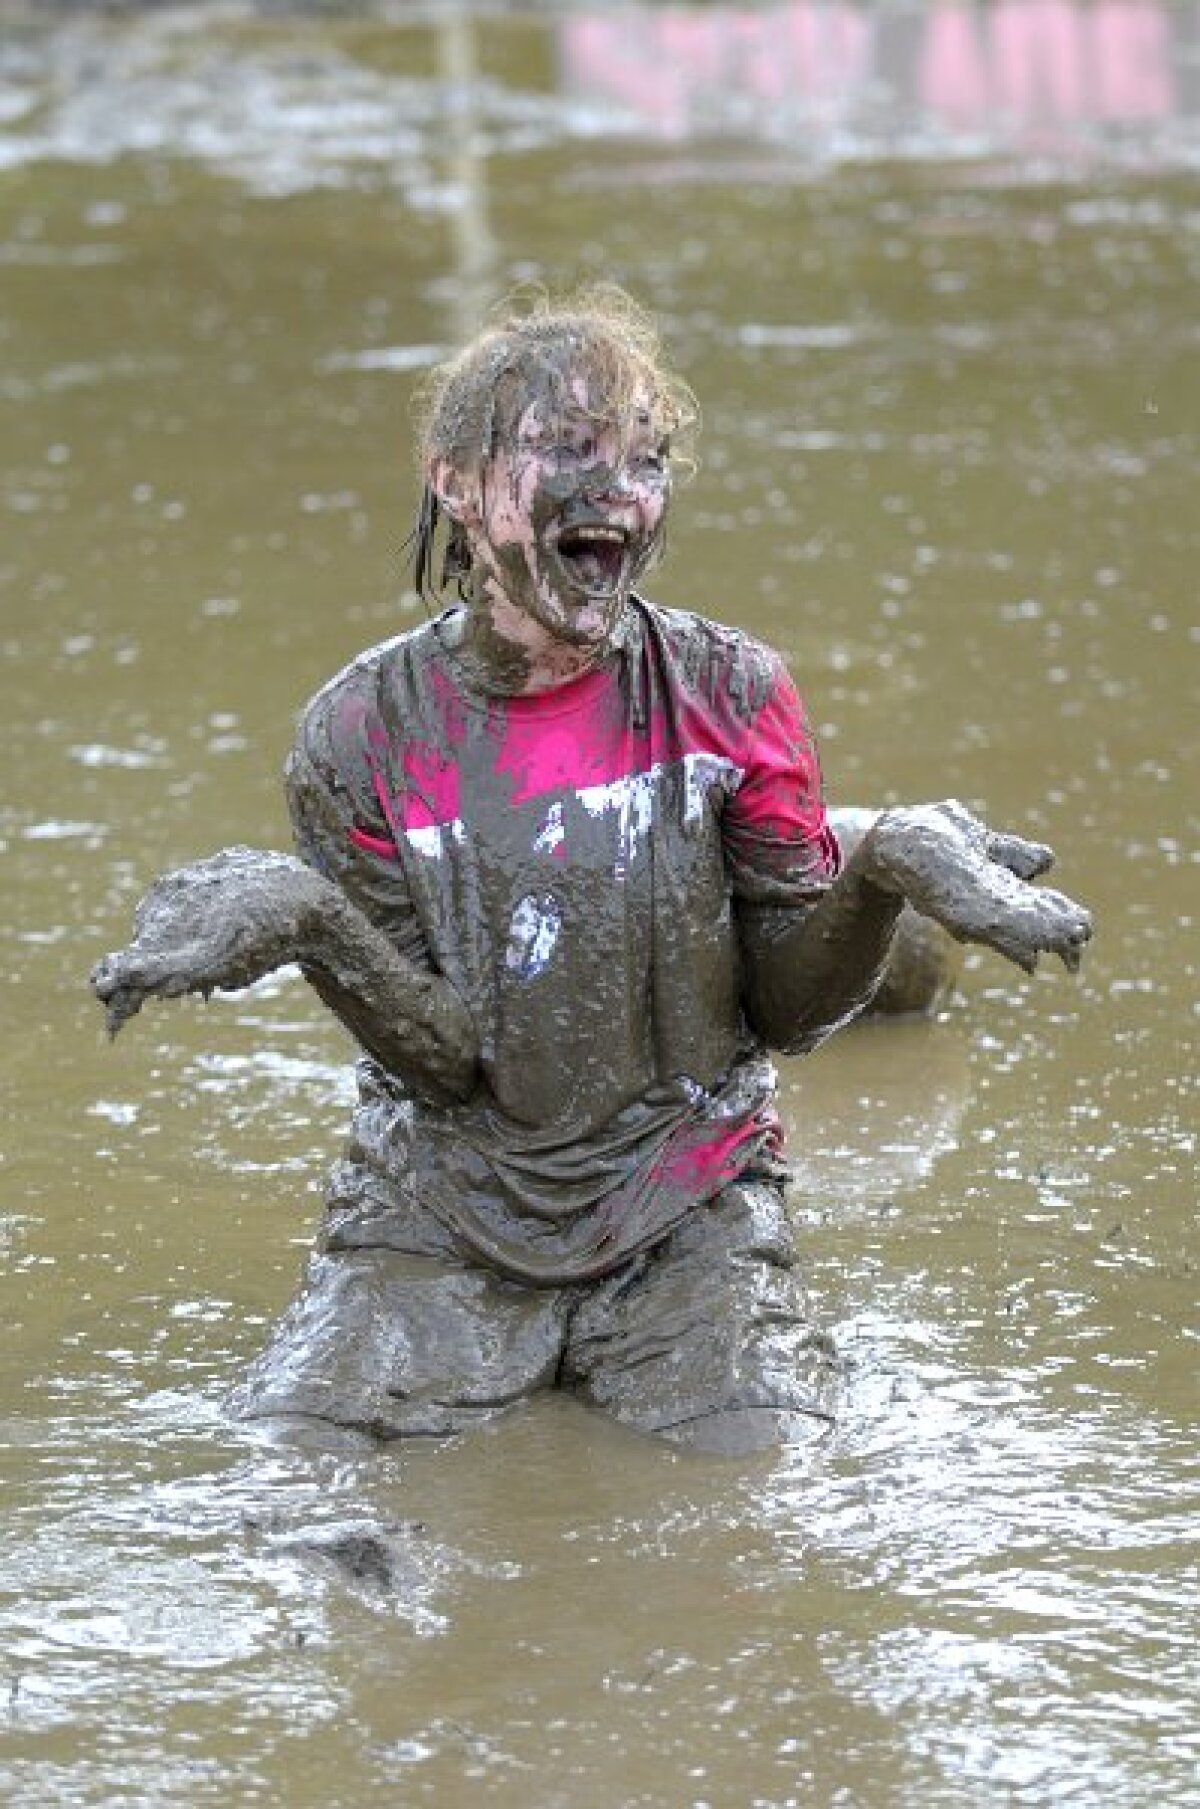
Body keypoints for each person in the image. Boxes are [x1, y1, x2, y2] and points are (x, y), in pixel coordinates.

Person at [91, 288, 1092, 1455]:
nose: (617, 488)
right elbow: (443, 1059)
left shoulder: (734, 692)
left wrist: (892, 865)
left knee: (771, 1466)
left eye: (646, 459)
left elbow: (787, 1013)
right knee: (294, 1460)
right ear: (458, 482)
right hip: (438, 1215)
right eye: (568, 449)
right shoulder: (360, 734)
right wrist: (305, 919)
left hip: (690, 1203)